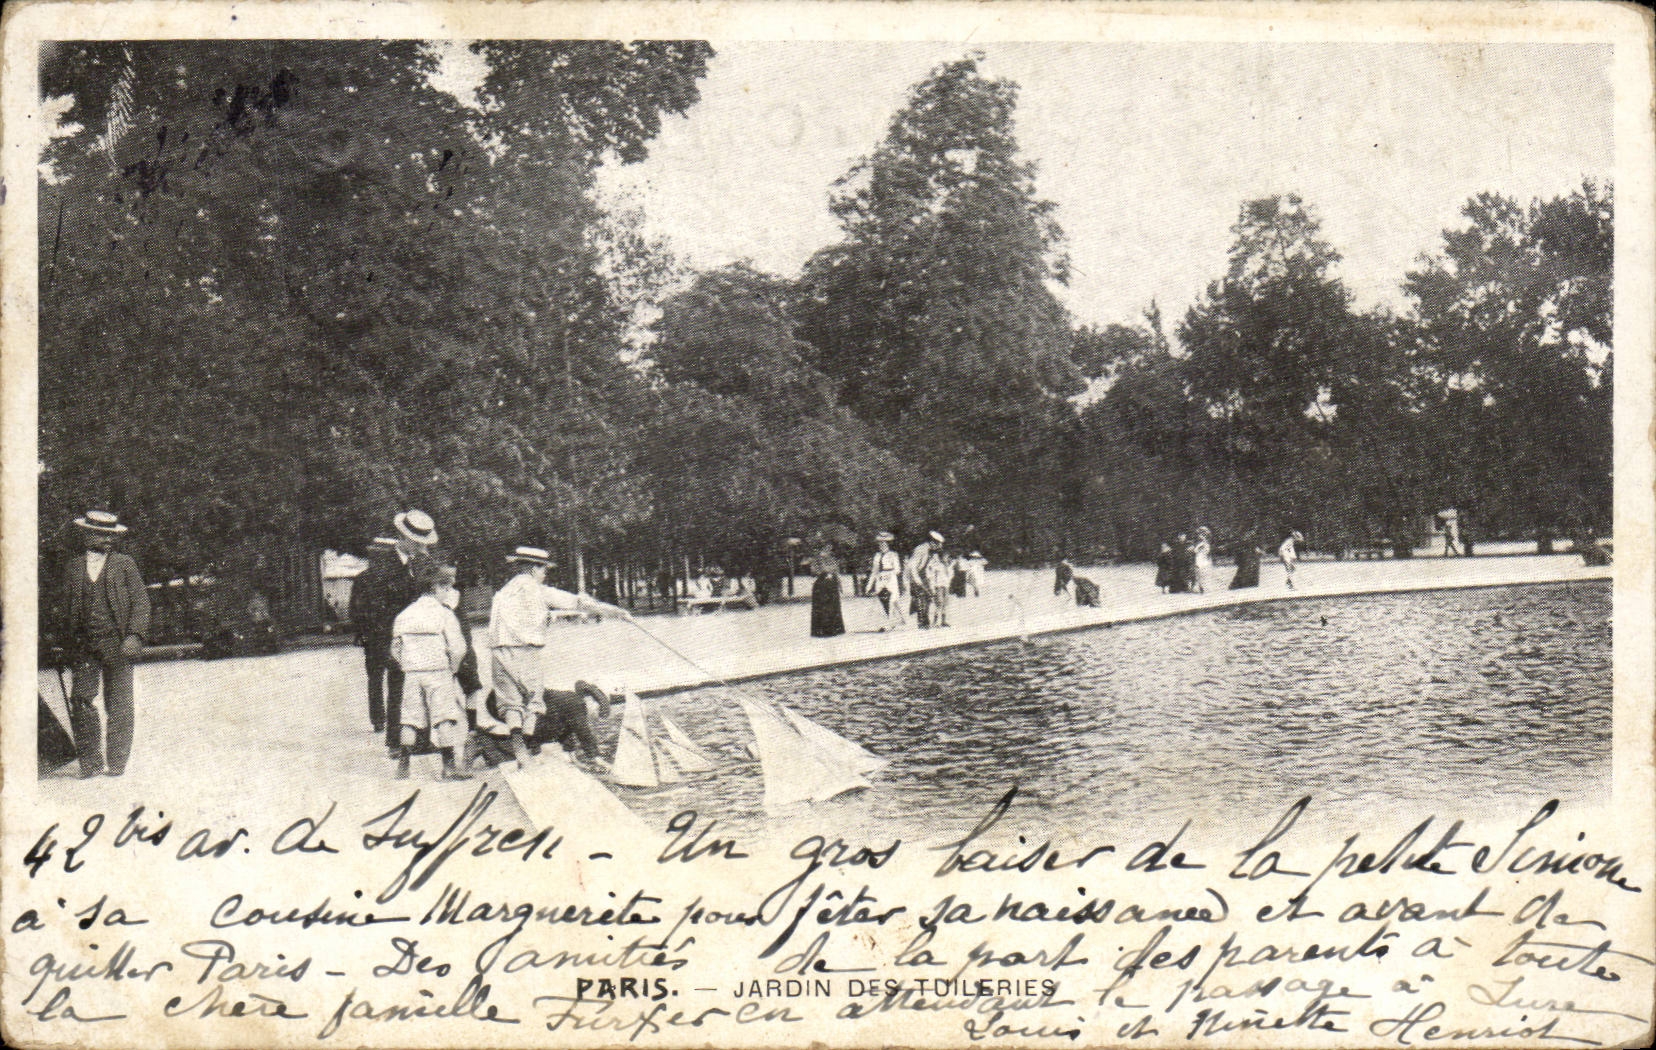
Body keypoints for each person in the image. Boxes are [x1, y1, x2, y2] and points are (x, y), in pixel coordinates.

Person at [488, 545, 630, 766]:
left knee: (510, 704)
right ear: (534, 568)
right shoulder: (537, 590)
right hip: (526, 651)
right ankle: (526, 745)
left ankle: (519, 747)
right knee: (534, 702)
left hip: (498, 652)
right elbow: (578, 603)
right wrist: (616, 612)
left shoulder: (502, 593)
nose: (545, 574)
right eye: (544, 569)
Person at [56, 509, 150, 778]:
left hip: (118, 644)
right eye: (101, 534)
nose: (108, 540)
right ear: (87, 535)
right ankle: (91, 762)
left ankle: (117, 762)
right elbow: (64, 609)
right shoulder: (73, 567)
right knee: (81, 700)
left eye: (111, 535)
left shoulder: (124, 564)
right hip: (84, 645)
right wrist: (62, 644)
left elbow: (141, 603)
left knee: (119, 703)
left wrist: (134, 636)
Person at [358, 510, 439, 754]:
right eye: (416, 542)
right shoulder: (383, 566)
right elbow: (376, 606)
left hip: (413, 635)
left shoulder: (417, 563)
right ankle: (396, 743)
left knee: (416, 685)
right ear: (403, 538)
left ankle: (420, 740)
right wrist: (389, 640)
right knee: (399, 687)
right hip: (389, 636)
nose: (421, 547)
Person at [390, 562, 471, 781]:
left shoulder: (404, 615)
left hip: (412, 673)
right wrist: (452, 668)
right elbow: (458, 648)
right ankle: (449, 767)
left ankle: (404, 766)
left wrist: (407, 664)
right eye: (447, 589)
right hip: (438, 671)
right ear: (437, 588)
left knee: (409, 718)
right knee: (444, 717)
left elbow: (395, 649)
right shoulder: (444, 614)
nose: (448, 594)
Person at [867, 531, 906, 631]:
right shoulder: (877, 556)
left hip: (891, 580)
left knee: (892, 600)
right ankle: (890, 622)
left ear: (888, 544)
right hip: (880, 580)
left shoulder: (893, 555)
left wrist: (889, 575)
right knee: (882, 601)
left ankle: (890, 623)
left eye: (884, 543)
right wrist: (868, 586)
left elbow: (897, 570)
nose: (882, 545)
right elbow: (874, 571)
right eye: (880, 543)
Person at [908, 531, 945, 628]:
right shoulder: (920, 549)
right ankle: (921, 623)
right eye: (937, 545)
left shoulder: (930, 551)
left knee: (928, 598)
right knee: (920, 598)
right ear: (933, 542)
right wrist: (916, 579)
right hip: (914, 575)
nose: (938, 548)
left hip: (923, 575)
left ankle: (925, 621)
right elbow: (912, 566)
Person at [809, 546, 845, 638]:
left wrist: (840, 586)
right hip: (821, 585)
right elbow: (813, 572)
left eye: (828, 549)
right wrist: (823, 573)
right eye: (824, 549)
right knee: (823, 607)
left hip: (832, 586)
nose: (826, 551)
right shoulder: (816, 559)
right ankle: (822, 631)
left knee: (833, 606)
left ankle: (834, 629)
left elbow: (837, 573)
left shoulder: (832, 559)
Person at [925, 545, 954, 627]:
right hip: (938, 586)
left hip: (946, 585)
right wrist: (932, 587)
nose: (946, 558)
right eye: (945, 556)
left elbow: (950, 575)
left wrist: (949, 567)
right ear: (941, 557)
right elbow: (932, 577)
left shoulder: (948, 565)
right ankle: (935, 621)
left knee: (945, 603)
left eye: (947, 557)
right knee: (939, 603)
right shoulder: (937, 565)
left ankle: (943, 621)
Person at [1193, 526, 1214, 593]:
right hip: (1199, 558)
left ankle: (1204, 587)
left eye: (1203, 535)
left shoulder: (1207, 543)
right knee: (1198, 572)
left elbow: (1208, 551)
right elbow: (1195, 551)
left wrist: (1204, 546)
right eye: (1200, 535)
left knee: (1204, 573)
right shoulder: (1198, 543)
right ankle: (1200, 586)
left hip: (1204, 559)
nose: (1201, 537)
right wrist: (1199, 546)